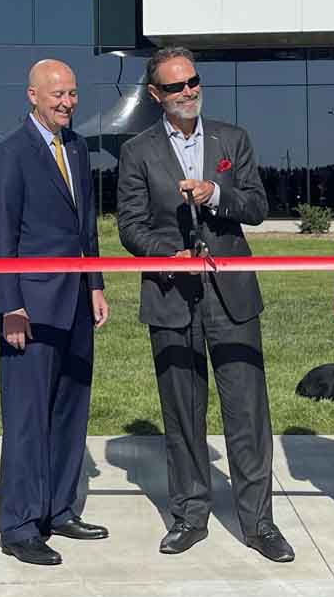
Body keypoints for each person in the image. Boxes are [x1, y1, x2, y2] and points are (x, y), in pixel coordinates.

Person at [115, 47, 290, 562]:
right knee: (182, 413)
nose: (188, 91)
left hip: (232, 296)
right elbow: (130, 225)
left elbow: (257, 206)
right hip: (170, 295)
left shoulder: (232, 139)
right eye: (176, 87)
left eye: (193, 81)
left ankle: (259, 523)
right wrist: (165, 254)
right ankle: (190, 514)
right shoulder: (138, 151)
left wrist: (216, 193)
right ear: (155, 96)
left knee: (248, 414)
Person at [0, 58, 108, 566]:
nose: (66, 102)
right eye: (57, 94)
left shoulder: (77, 148)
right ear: (32, 95)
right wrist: (9, 305)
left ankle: (59, 509)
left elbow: (87, 229)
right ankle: (18, 524)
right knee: (27, 418)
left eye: (73, 94)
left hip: (76, 302)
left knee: (69, 411)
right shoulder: (9, 154)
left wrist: (95, 283)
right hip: (29, 309)